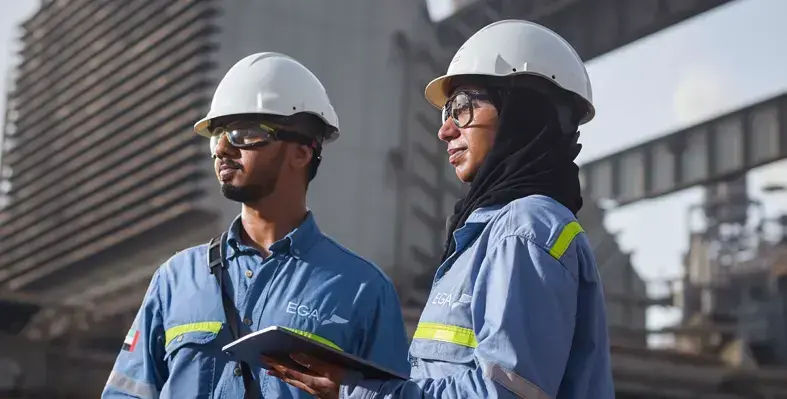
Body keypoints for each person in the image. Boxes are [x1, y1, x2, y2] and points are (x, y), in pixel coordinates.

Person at [264, 19, 615, 399]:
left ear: (523, 112)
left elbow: (503, 395)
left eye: (462, 107)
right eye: (446, 112)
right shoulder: (486, 234)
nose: (445, 130)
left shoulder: (525, 230)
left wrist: (359, 393)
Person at [101, 52, 411, 399]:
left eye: (242, 133)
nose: (221, 149)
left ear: (302, 152)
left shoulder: (362, 291)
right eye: (216, 135)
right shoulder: (176, 279)